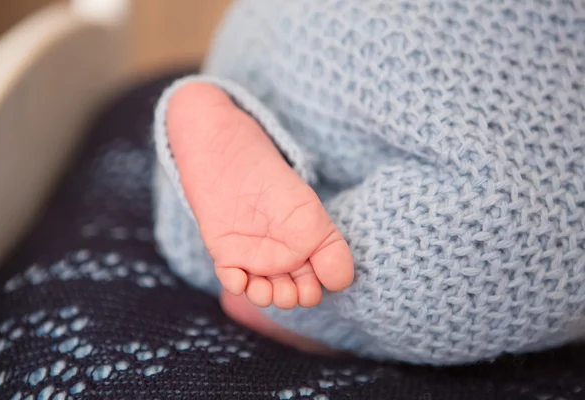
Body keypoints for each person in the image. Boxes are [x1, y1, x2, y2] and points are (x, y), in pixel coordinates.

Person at [153, 0, 585, 365]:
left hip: (271, 29)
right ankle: (292, 293)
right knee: (534, 233)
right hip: (464, 57)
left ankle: (231, 120)